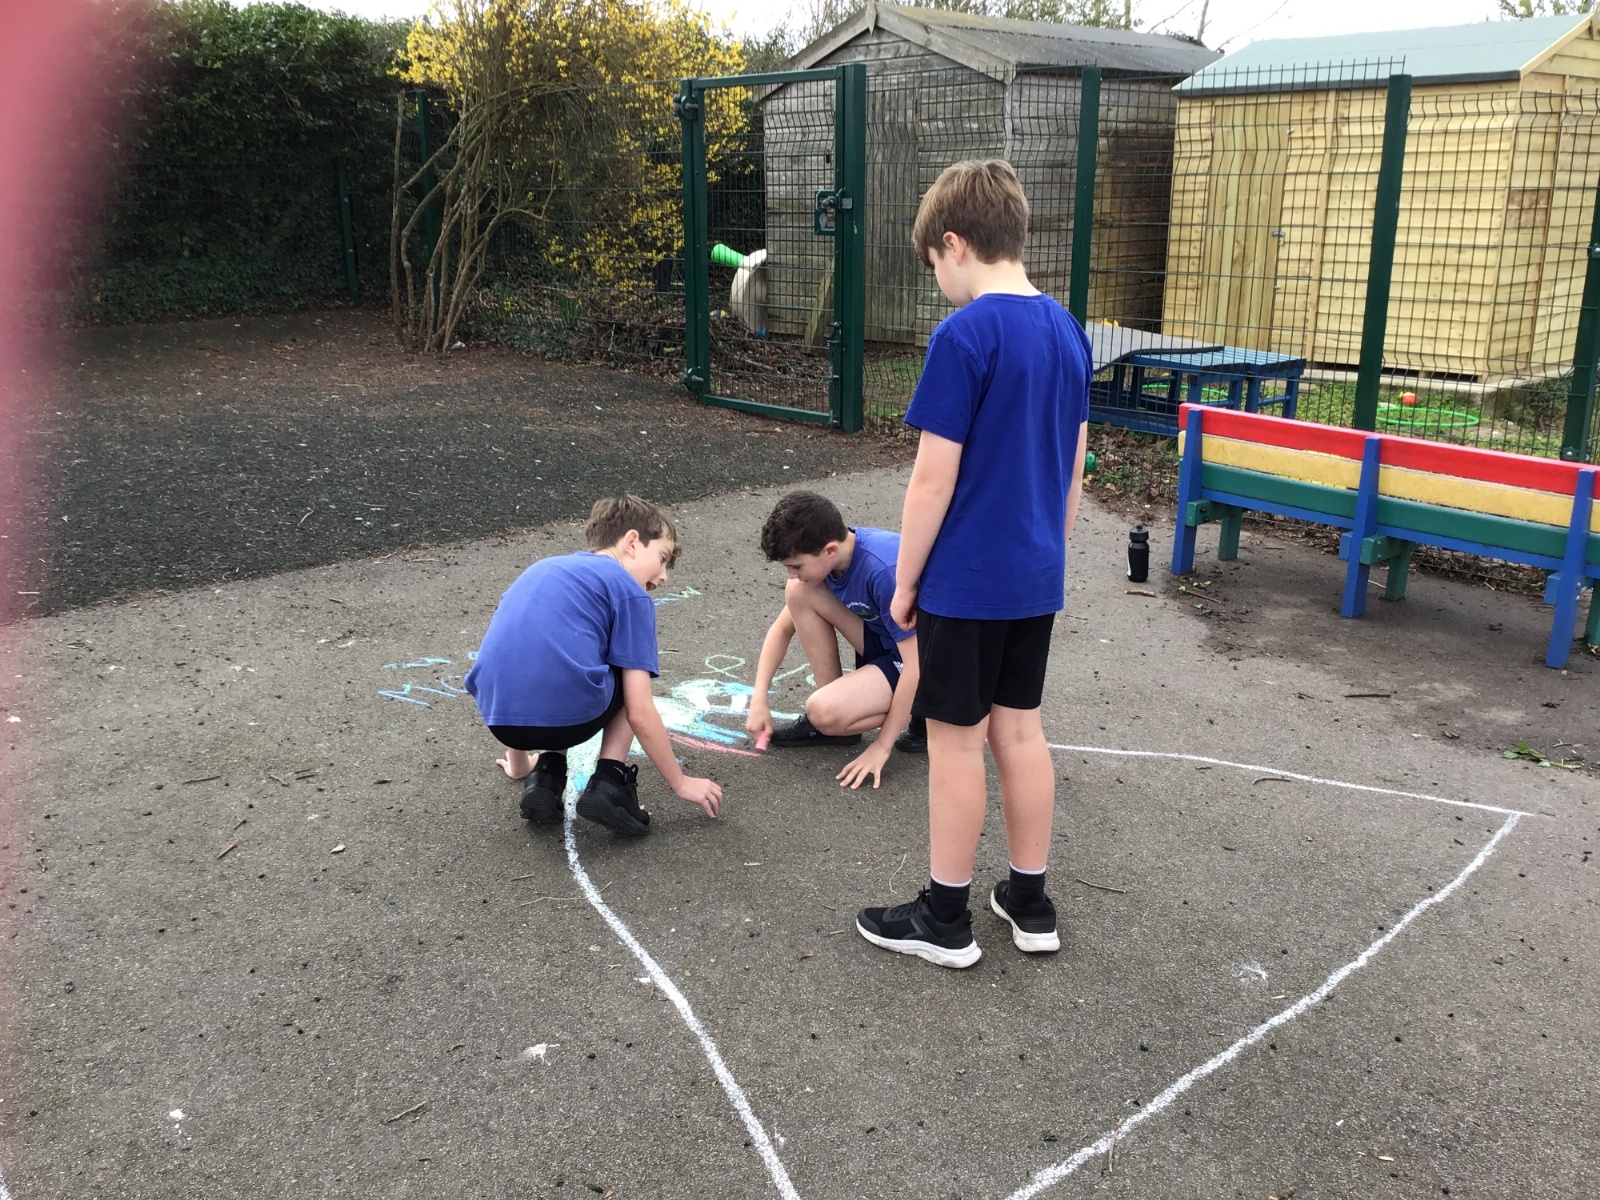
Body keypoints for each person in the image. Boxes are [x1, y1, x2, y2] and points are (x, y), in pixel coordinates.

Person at [854, 159, 1091, 968]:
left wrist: (906, 582)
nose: (939, 282)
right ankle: (1029, 901)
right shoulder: (1068, 330)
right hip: (1035, 574)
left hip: (967, 580)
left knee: (955, 741)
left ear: (954, 244)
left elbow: (932, 480)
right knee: (1020, 731)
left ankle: (944, 918)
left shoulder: (965, 335)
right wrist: (1050, 548)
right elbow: (1074, 464)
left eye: (934, 265)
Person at [463, 495, 723, 837]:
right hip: (570, 719)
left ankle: (545, 776)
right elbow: (639, 710)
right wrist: (680, 782)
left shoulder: (542, 569)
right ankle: (609, 782)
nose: (663, 577)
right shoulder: (630, 591)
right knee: (626, 671)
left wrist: (519, 764)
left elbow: (517, 658)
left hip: (501, 721)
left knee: (561, 658)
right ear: (631, 542)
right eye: (662, 559)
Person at [745, 490, 923, 790]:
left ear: (829, 549)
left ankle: (927, 713)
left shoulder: (883, 571)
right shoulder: (836, 556)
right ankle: (839, 723)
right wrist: (759, 698)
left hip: (932, 662)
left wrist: (882, 745)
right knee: (798, 593)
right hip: (890, 642)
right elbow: (782, 629)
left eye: (796, 566)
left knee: (821, 711)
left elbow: (917, 664)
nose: (791, 574)